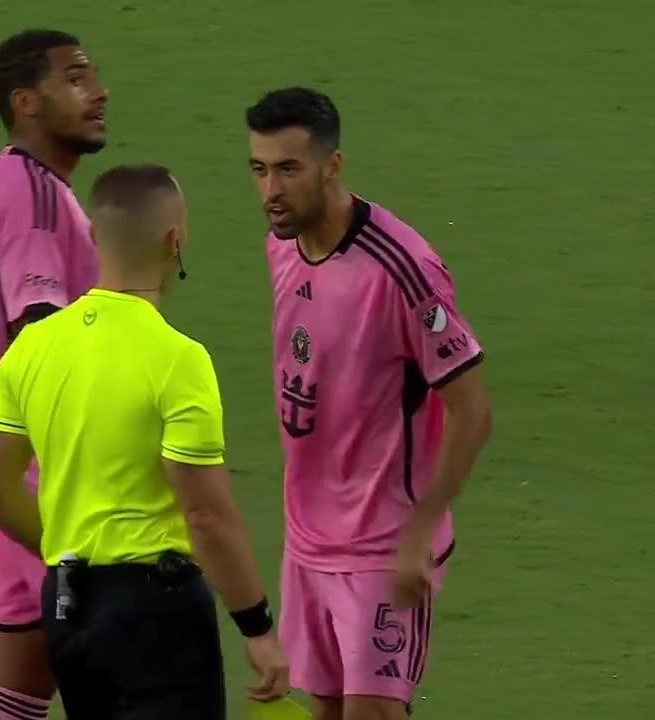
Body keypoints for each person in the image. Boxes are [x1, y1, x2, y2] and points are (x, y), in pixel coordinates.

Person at [0, 164, 290, 719]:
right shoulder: (178, 360)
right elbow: (206, 514)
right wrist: (256, 625)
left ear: (94, 236)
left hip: (68, 607)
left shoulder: (31, 348)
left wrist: (71, 552)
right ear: (175, 241)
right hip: (156, 614)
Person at [244, 87, 493, 720]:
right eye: (260, 169)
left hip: (384, 545)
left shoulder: (403, 269)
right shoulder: (280, 245)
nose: (271, 189)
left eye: (289, 169)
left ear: (333, 166)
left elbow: (472, 409)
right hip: (307, 542)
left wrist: (421, 530)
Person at [0, 28, 107, 720]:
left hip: (1, 470)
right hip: (47, 485)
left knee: (21, 683)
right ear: (26, 102)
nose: (97, 92)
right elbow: (40, 335)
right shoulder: (34, 197)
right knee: (124, 678)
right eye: (75, 78)